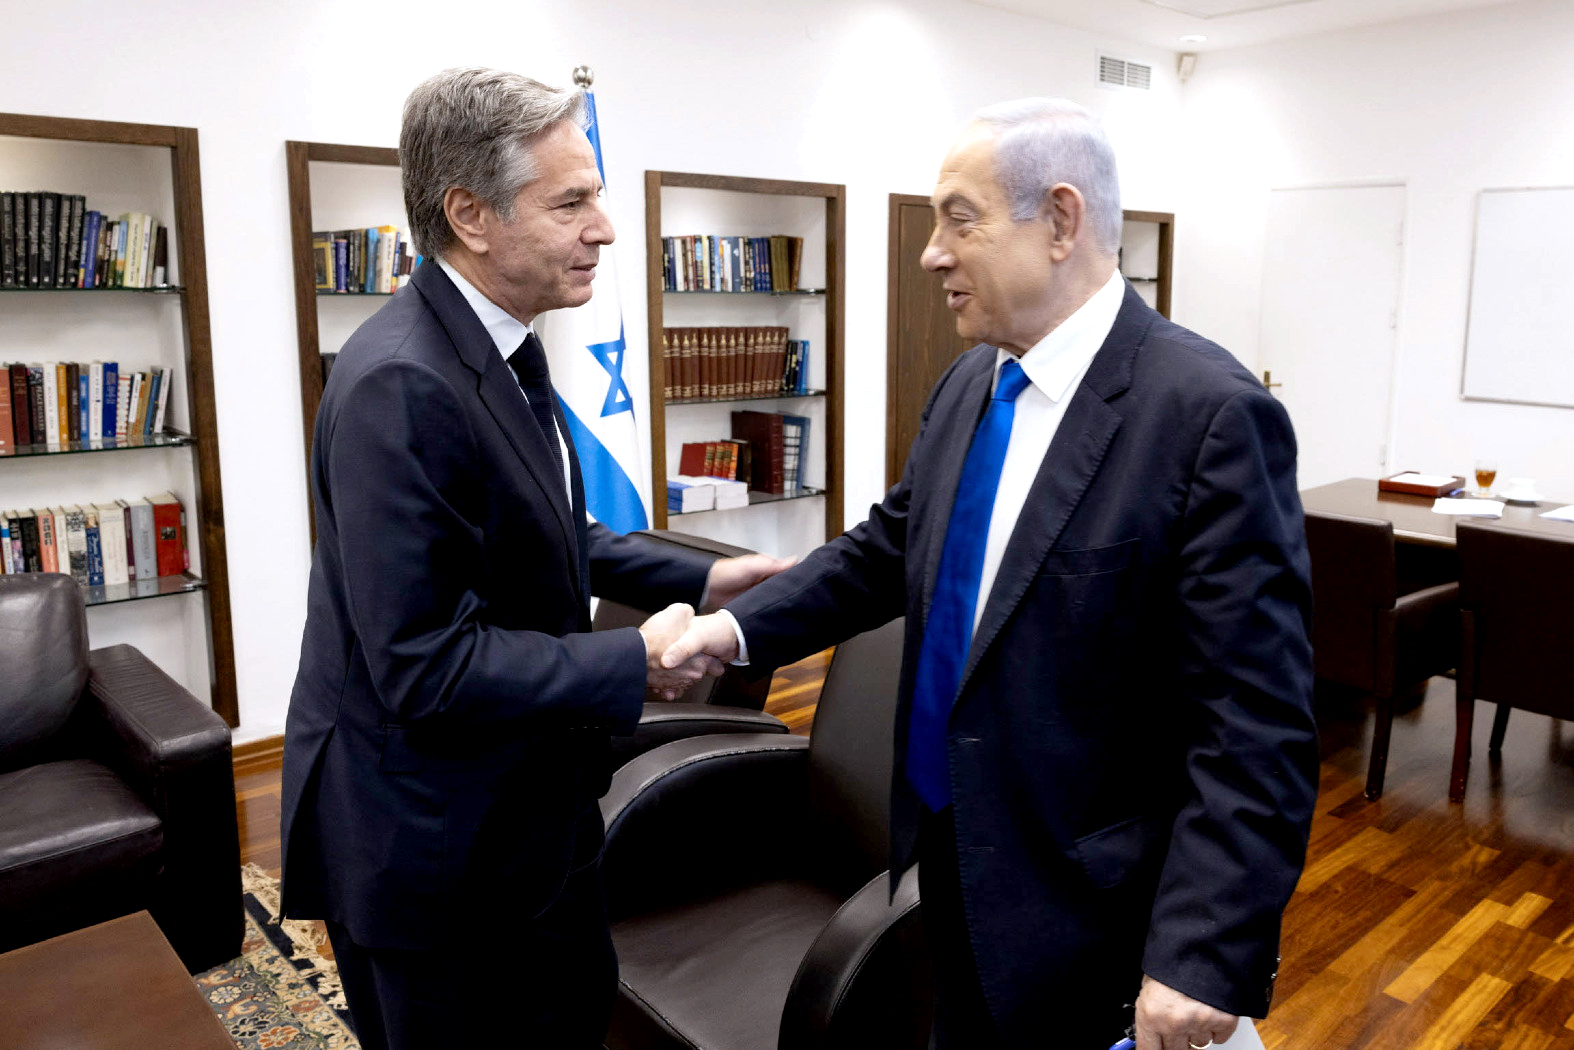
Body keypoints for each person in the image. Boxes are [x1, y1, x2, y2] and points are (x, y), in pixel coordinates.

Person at [662, 98, 1319, 1050]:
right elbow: (888, 548)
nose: (931, 254)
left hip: (1093, 911)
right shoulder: (973, 379)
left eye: (958, 219)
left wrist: (1201, 952)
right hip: (947, 856)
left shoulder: (1208, 416)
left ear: (1060, 221)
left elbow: (1254, 720)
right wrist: (732, 632)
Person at [279, 67, 789, 1050]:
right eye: (571, 203)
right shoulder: (402, 383)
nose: (606, 228)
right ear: (470, 215)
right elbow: (424, 664)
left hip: (531, 810)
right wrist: (633, 660)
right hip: (433, 849)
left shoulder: (502, 343)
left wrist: (697, 576)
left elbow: (542, 526)